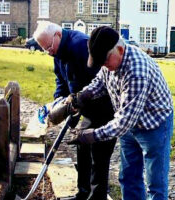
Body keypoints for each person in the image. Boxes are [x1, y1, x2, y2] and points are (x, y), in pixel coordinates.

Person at [68, 26, 174, 200]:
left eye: (105, 61)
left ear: (120, 49)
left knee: (155, 184)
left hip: (155, 123)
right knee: (128, 177)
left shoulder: (136, 71)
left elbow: (123, 122)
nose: (104, 65)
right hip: (129, 124)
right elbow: (101, 81)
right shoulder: (109, 59)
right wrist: (84, 95)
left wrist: (92, 135)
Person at [33, 21, 117, 200]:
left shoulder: (80, 45)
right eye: (43, 49)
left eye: (48, 46)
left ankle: (97, 196)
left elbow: (100, 81)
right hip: (83, 107)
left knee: (99, 155)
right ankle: (83, 193)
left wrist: (78, 101)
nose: (48, 51)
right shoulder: (57, 51)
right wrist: (59, 100)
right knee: (83, 148)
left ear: (57, 35)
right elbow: (61, 80)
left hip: (103, 107)